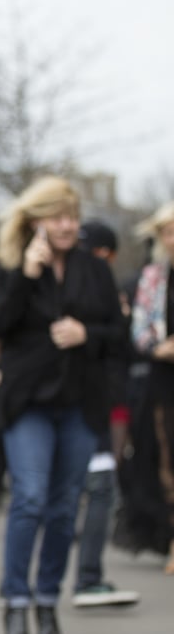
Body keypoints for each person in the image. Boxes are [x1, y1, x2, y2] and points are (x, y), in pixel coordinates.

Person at [0, 177, 125, 634]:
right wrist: (25, 273)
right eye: (57, 216)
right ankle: (16, 603)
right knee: (30, 497)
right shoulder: (13, 264)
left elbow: (120, 336)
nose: (67, 225)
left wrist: (88, 334)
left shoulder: (94, 270)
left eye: (72, 216)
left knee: (65, 509)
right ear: (36, 220)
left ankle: (47, 600)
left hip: (81, 403)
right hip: (29, 402)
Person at [71, 221, 139, 607]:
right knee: (100, 486)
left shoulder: (61, 282)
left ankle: (22, 587)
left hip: (77, 401)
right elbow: (116, 349)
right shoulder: (97, 291)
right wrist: (122, 322)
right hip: (97, 402)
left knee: (57, 493)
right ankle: (88, 577)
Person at [130, 201, 174, 575]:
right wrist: (158, 347)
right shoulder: (153, 278)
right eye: (168, 231)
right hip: (165, 378)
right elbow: (140, 327)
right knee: (167, 458)